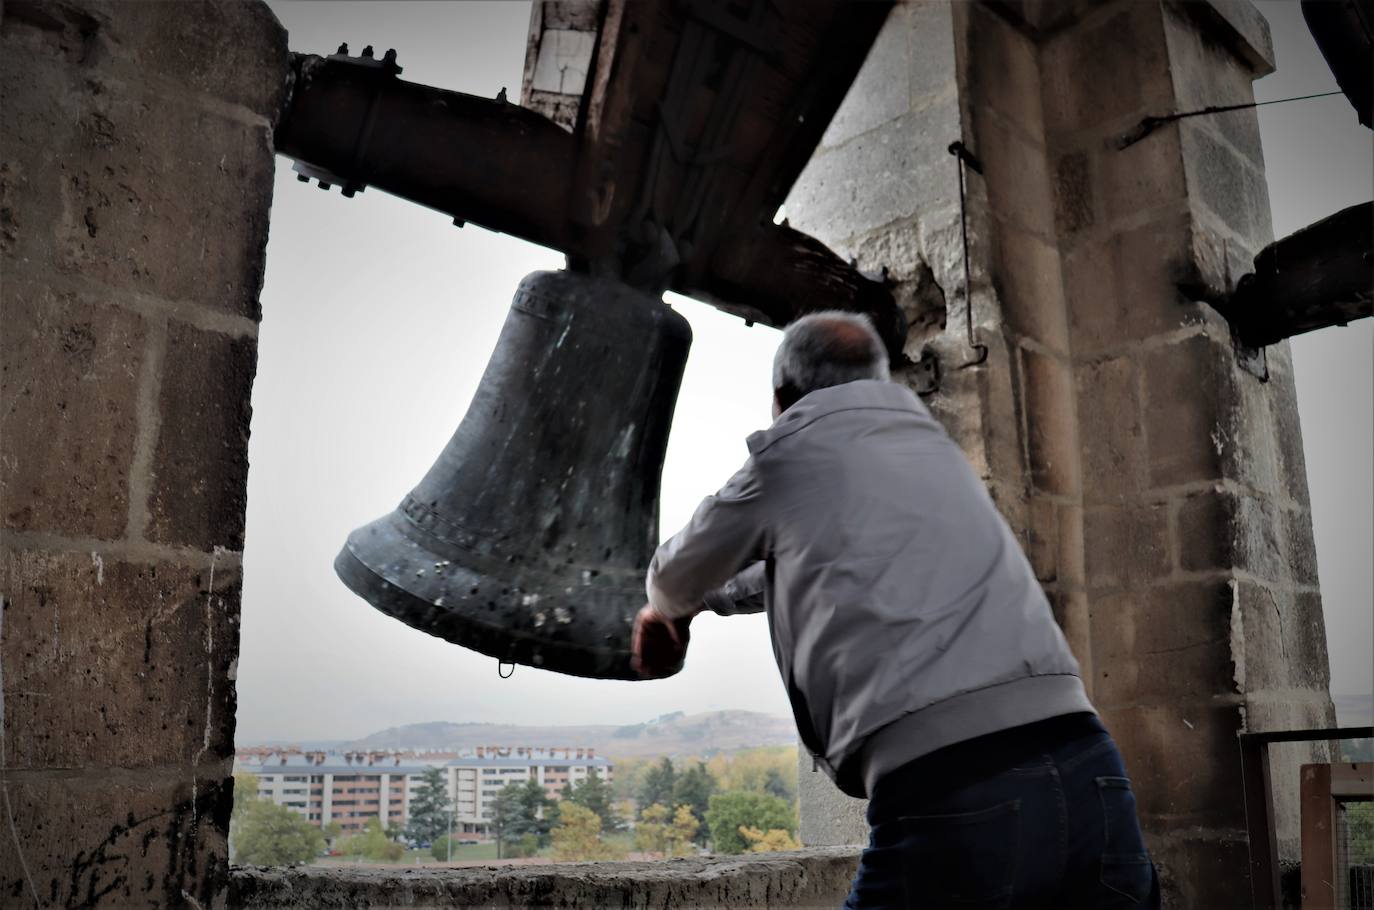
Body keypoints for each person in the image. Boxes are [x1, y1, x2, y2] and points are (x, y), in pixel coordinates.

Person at [631, 311, 1160, 908]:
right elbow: (809, 562)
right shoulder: (932, 449)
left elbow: (672, 575)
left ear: (782, 399)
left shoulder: (790, 449)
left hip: (956, 789)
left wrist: (667, 611)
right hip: (1092, 768)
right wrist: (710, 601)